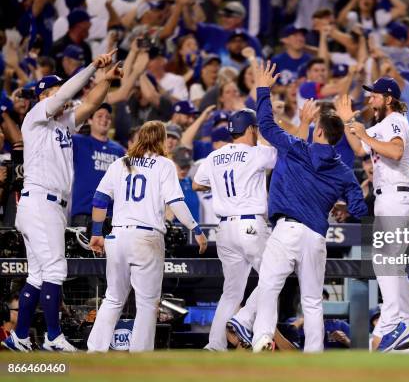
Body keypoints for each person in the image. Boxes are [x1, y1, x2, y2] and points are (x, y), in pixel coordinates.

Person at [2, 50, 120, 352]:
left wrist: (105, 80)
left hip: (47, 205)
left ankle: (21, 336)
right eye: (56, 91)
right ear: (44, 96)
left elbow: (92, 103)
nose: (62, 96)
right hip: (41, 200)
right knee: (55, 271)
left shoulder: (63, 123)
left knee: (39, 274)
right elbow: (69, 93)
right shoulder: (36, 117)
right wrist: (94, 66)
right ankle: (54, 337)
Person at [249, 61, 367, 353]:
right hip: (315, 237)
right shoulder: (345, 171)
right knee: (313, 300)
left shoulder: (296, 147)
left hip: (286, 231)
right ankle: (314, 354)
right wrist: (343, 205)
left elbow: (264, 125)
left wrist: (263, 88)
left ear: (317, 133)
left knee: (268, 288)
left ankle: (263, 339)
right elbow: (361, 210)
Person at [86, 121, 207, 353]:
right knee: (146, 304)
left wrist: (96, 233)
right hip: (146, 238)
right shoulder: (164, 165)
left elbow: (100, 199)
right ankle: (140, 355)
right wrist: (196, 229)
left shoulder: (120, 163)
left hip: (117, 236)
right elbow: (176, 202)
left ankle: (94, 351)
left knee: (113, 298)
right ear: (160, 140)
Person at [336, 80, 409, 353]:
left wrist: (363, 133)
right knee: (392, 264)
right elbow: (358, 148)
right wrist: (347, 121)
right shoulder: (381, 125)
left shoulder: (395, 119)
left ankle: (393, 323)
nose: (370, 98)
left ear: (388, 98)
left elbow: (396, 151)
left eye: (374, 94)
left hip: (395, 197)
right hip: (390, 198)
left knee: (385, 262)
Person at [192, 108, 278, 351]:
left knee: (230, 293)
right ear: (251, 129)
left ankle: (214, 345)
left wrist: (221, 188)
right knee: (274, 276)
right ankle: (245, 320)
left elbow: (198, 183)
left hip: (224, 228)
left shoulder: (214, 155)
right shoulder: (257, 152)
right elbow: (282, 154)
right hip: (250, 224)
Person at [71, 103, 126, 227]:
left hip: (111, 216)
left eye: (108, 117)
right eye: (100, 116)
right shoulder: (78, 142)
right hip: (84, 213)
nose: (104, 119)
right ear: (89, 120)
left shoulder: (119, 150)